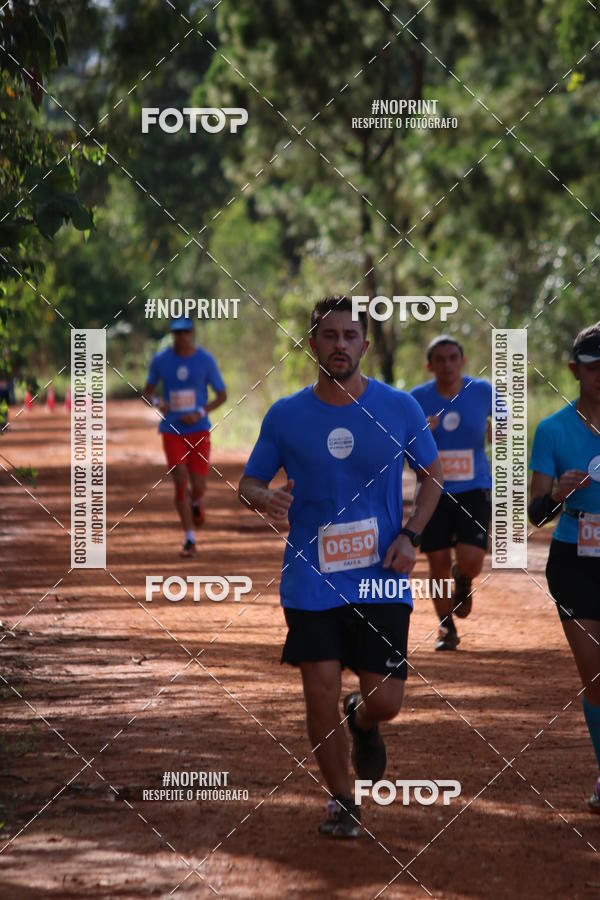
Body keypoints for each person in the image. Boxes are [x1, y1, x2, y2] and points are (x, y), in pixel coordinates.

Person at [238, 296, 442, 838]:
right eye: (329, 336)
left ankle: (364, 719)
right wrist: (265, 497)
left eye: (350, 336)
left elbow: (434, 476)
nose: (340, 346)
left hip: (380, 576)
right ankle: (342, 801)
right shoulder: (286, 415)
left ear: (365, 346)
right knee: (319, 687)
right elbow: (250, 481)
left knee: (386, 701)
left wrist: (411, 534)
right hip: (311, 579)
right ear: (313, 345)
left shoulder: (400, 408)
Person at [529, 322, 600, 813]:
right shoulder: (553, 430)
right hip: (576, 556)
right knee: (595, 677)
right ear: (575, 370)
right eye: (594, 368)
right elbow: (534, 511)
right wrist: (556, 493)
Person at [411, 336, 493, 650]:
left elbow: (508, 427)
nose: (447, 365)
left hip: (474, 488)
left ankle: (465, 579)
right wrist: (422, 435)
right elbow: (404, 451)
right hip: (434, 489)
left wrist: (497, 431)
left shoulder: (483, 391)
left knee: (471, 560)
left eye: (453, 358)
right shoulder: (416, 399)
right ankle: (447, 628)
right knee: (438, 561)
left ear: (463, 361)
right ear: (429, 365)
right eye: (440, 359)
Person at [143, 317, 227, 557]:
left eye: (185, 332)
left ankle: (197, 501)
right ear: (171, 333)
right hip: (172, 429)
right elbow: (147, 393)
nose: (181, 337)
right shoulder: (161, 360)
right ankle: (189, 539)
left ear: (191, 332)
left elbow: (222, 394)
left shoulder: (205, 360)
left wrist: (200, 412)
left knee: (198, 485)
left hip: (199, 428)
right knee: (180, 479)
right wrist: (159, 402)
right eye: (176, 333)